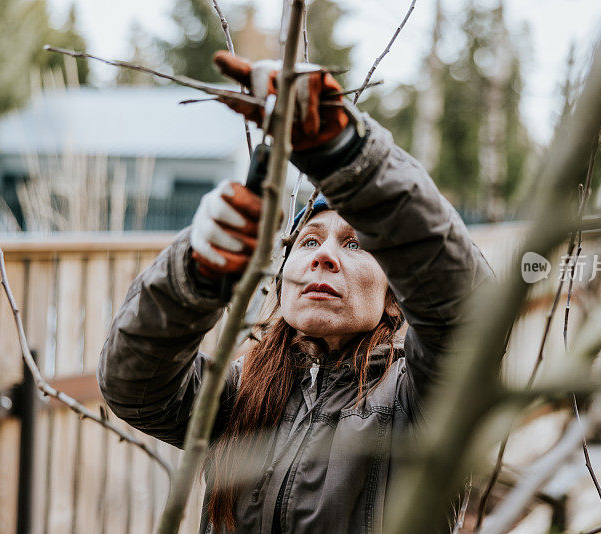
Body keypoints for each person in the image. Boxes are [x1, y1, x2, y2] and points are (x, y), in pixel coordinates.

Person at [98, 51, 493, 534]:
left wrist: (347, 153)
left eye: (356, 244)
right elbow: (133, 385)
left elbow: (463, 306)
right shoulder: (240, 394)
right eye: (309, 241)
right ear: (284, 277)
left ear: (396, 293)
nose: (323, 256)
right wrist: (195, 272)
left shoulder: (420, 402)